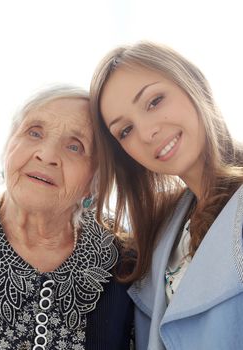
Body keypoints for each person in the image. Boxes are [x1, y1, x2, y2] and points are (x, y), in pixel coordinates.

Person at [0, 85, 134, 349]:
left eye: (75, 146)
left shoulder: (126, 264)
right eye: (34, 132)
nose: (46, 155)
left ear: (96, 179)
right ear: (8, 145)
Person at [88, 42, 243, 349]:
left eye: (154, 101)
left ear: (192, 82)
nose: (146, 133)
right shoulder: (162, 230)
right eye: (125, 131)